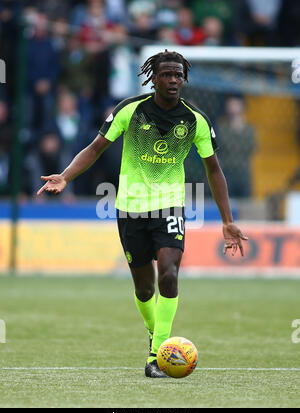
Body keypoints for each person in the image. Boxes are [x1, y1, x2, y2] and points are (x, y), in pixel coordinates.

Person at [37, 50, 248, 378]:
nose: (173, 80)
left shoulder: (195, 120)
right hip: (130, 208)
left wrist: (228, 220)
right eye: (166, 75)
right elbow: (96, 148)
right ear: (153, 78)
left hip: (170, 206)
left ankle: (157, 354)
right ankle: (156, 332)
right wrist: (65, 176)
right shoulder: (130, 110)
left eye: (178, 75)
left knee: (169, 274)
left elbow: (214, 170)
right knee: (144, 289)